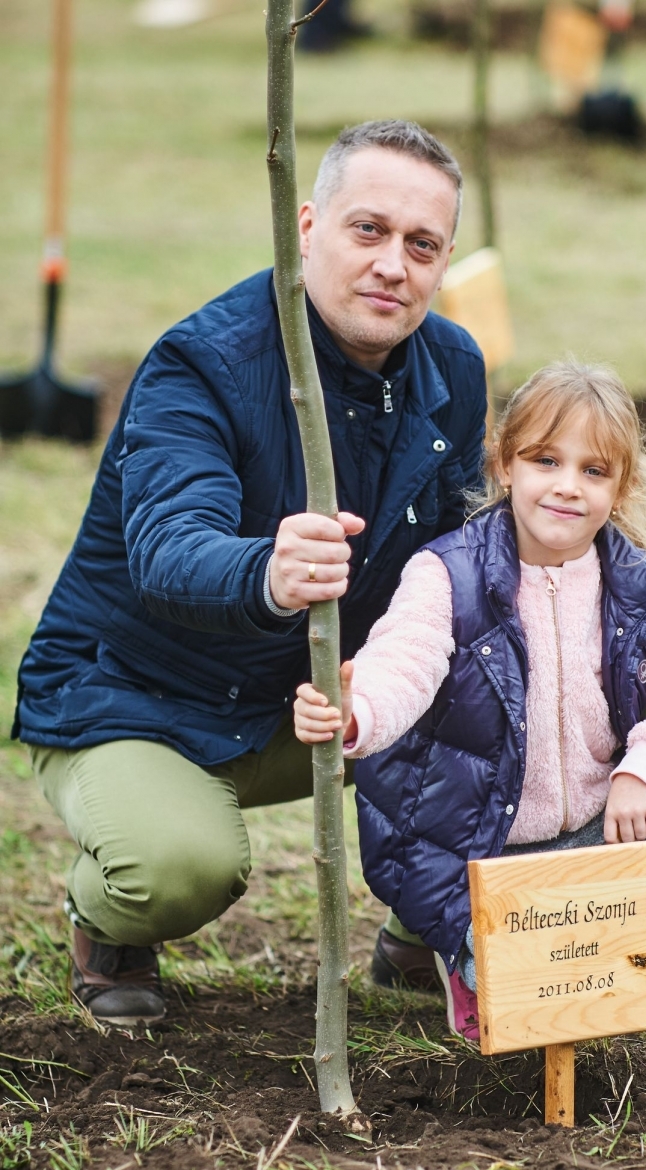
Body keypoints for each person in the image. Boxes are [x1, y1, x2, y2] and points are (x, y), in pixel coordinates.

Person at [13, 120, 487, 1025]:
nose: (394, 263)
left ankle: (429, 923)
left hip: (306, 702)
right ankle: (108, 920)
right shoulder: (203, 363)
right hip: (137, 696)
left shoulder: (453, 369)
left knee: (519, 679)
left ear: (445, 259)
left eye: (421, 244)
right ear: (306, 226)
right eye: (368, 230)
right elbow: (165, 548)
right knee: (179, 867)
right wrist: (269, 569)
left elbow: (456, 560)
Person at [295, 360, 646, 1037]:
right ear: (506, 464)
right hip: (479, 855)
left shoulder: (635, 584)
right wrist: (357, 709)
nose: (567, 486)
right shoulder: (449, 574)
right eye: (545, 460)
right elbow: (404, 663)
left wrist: (644, 770)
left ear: (620, 488)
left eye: (594, 470)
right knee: (536, 1021)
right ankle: (464, 956)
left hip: (596, 837)